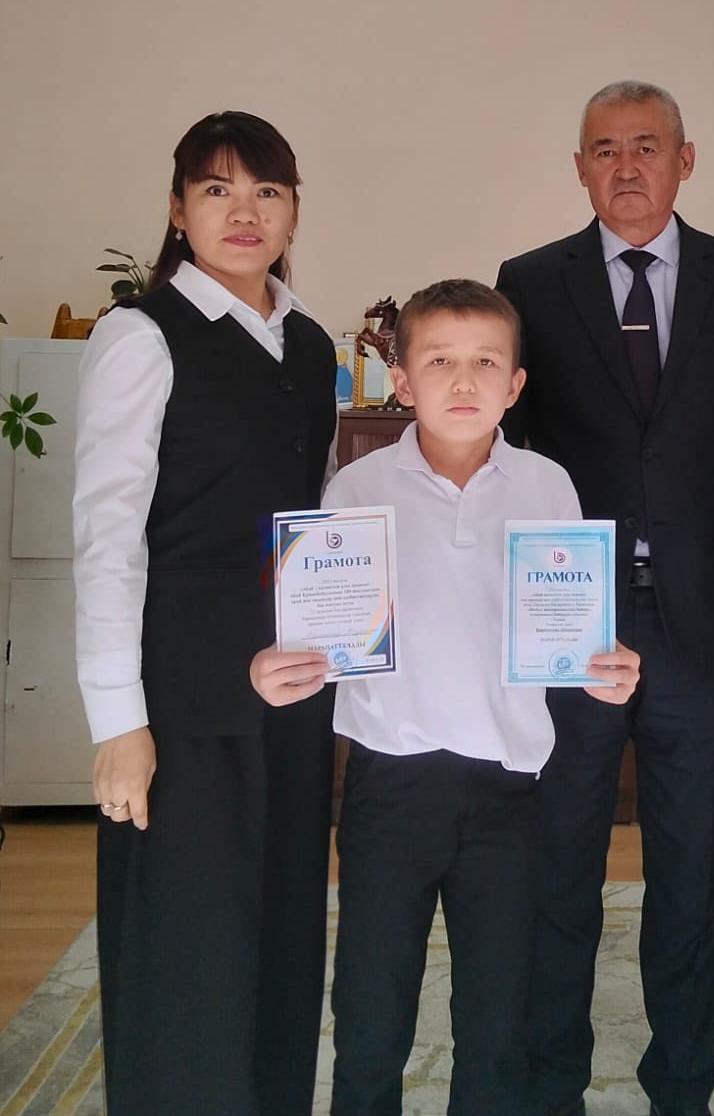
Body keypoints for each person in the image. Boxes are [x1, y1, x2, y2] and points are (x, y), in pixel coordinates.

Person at [251, 279, 641, 1116]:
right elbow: (324, 629)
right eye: (438, 362)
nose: (464, 382)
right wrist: (285, 667)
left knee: (498, 1019)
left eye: (486, 363)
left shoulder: (549, 487)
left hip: (509, 793)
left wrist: (603, 670)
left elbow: (568, 629)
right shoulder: (356, 492)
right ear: (401, 381)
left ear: (516, 384)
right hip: (389, 788)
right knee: (370, 1011)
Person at [496, 80, 714, 1116]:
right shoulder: (529, 282)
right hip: (569, 618)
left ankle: (682, 1083)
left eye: (646, 146)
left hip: (702, 621)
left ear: (685, 159)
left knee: (691, 870)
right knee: (559, 863)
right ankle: (550, 1081)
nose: (625, 166)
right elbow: (505, 456)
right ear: (579, 168)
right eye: (604, 149)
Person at [73, 110, 337, 1116]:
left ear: (293, 211)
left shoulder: (306, 342)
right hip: (180, 706)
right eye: (217, 189)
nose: (244, 211)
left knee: (280, 945)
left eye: (267, 190)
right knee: (186, 961)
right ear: (178, 210)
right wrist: (118, 722)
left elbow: (308, 523)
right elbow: (108, 537)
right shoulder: (141, 335)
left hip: (290, 697)